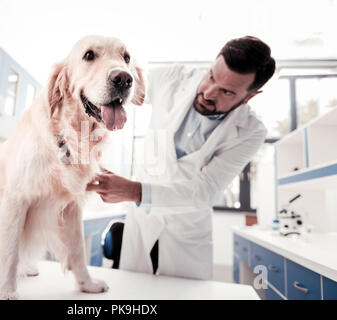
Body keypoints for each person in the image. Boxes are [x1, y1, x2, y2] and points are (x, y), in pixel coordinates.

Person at [86, 36, 276, 279]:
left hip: (186, 236)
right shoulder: (175, 78)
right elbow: (120, 85)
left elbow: (205, 191)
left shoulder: (251, 131)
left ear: (249, 97)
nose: (208, 92)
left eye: (226, 91)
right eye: (211, 76)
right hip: (141, 224)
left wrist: (134, 191)